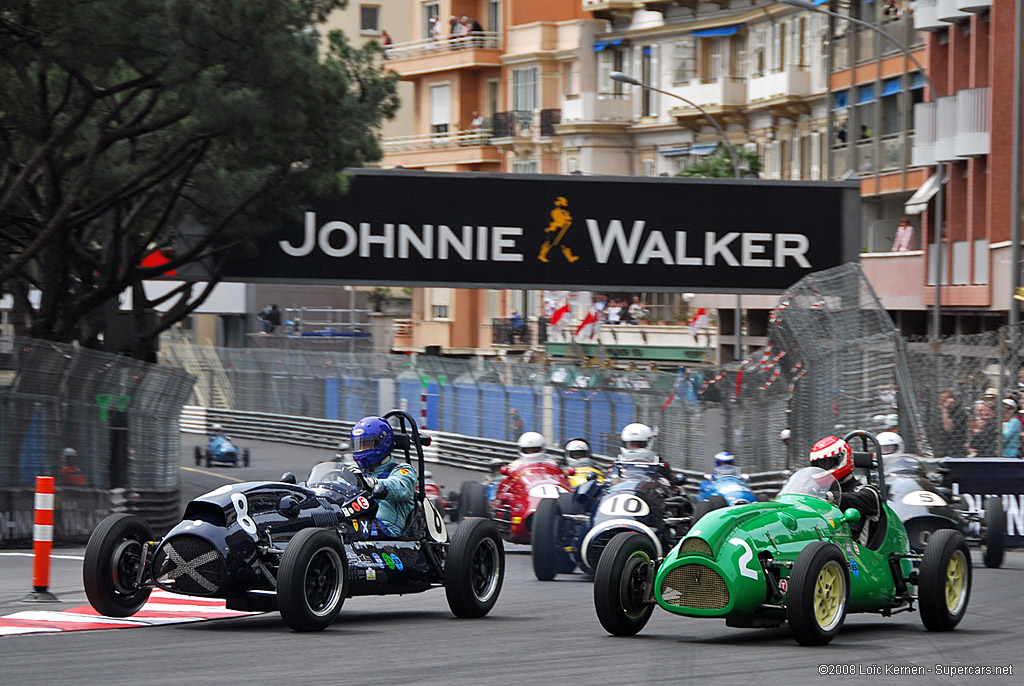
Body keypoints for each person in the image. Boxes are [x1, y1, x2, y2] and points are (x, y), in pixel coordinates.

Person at [351, 416, 417, 536]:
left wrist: (373, 484)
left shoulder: (403, 470)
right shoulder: (356, 472)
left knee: (346, 529)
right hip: (359, 522)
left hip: (387, 531)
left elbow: (401, 487)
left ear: (381, 443)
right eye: (358, 445)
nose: (361, 449)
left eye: (366, 444)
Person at [809, 436, 881, 545]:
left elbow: (868, 498)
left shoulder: (866, 491)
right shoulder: (817, 492)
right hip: (824, 550)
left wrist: (831, 497)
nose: (822, 469)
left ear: (841, 459)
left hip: (857, 556)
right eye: (818, 465)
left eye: (825, 463)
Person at [934, 388, 968, 458]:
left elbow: (948, 428)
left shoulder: (959, 412)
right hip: (941, 449)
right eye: (940, 400)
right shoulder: (938, 412)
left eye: (944, 400)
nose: (941, 403)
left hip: (955, 449)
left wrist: (945, 409)